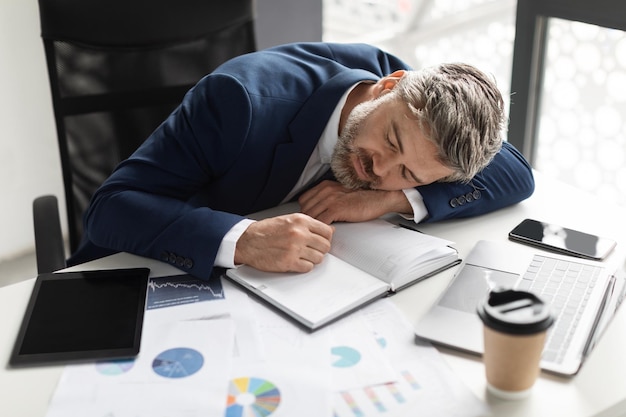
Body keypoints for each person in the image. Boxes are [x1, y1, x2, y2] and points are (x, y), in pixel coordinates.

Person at [68, 42, 535, 279]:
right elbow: (110, 209)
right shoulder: (239, 102)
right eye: (390, 142)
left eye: (409, 171)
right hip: (140, 271)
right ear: (390, 85)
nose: (380, 171)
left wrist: (390, 200)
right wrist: (244, 239)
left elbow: (517, 175)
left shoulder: (415, 111)